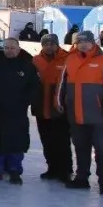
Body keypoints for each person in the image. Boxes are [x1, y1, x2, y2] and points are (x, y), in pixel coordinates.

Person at [58, 31, 103, 196]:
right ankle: (82, 177)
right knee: (80, 146)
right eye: (79, 42)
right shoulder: (70, 59)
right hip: (76, 112)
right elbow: (61, 83)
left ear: (93, 43)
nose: (83, 45)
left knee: (101, 148)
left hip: (98, 114)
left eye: (86, 42)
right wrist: (58, 101)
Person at [0, 38, 40, 184]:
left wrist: (24, 101)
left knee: (16, 141)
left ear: (18, 49)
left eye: (12, 48)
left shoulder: (27, 66)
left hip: (17, 111)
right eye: (7, 48)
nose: (9, 51)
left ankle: (14, 170)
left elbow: (34, 87)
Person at [31, 34, 72, 182]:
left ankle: (65, 170)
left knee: (62, 140)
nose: (49, 47)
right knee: (46, 140)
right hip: (41, 105)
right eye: (46, 44)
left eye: (52, 44)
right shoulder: (36, 60)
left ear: (57, 45)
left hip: (59, 107)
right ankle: (52, 167)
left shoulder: (67, 59)